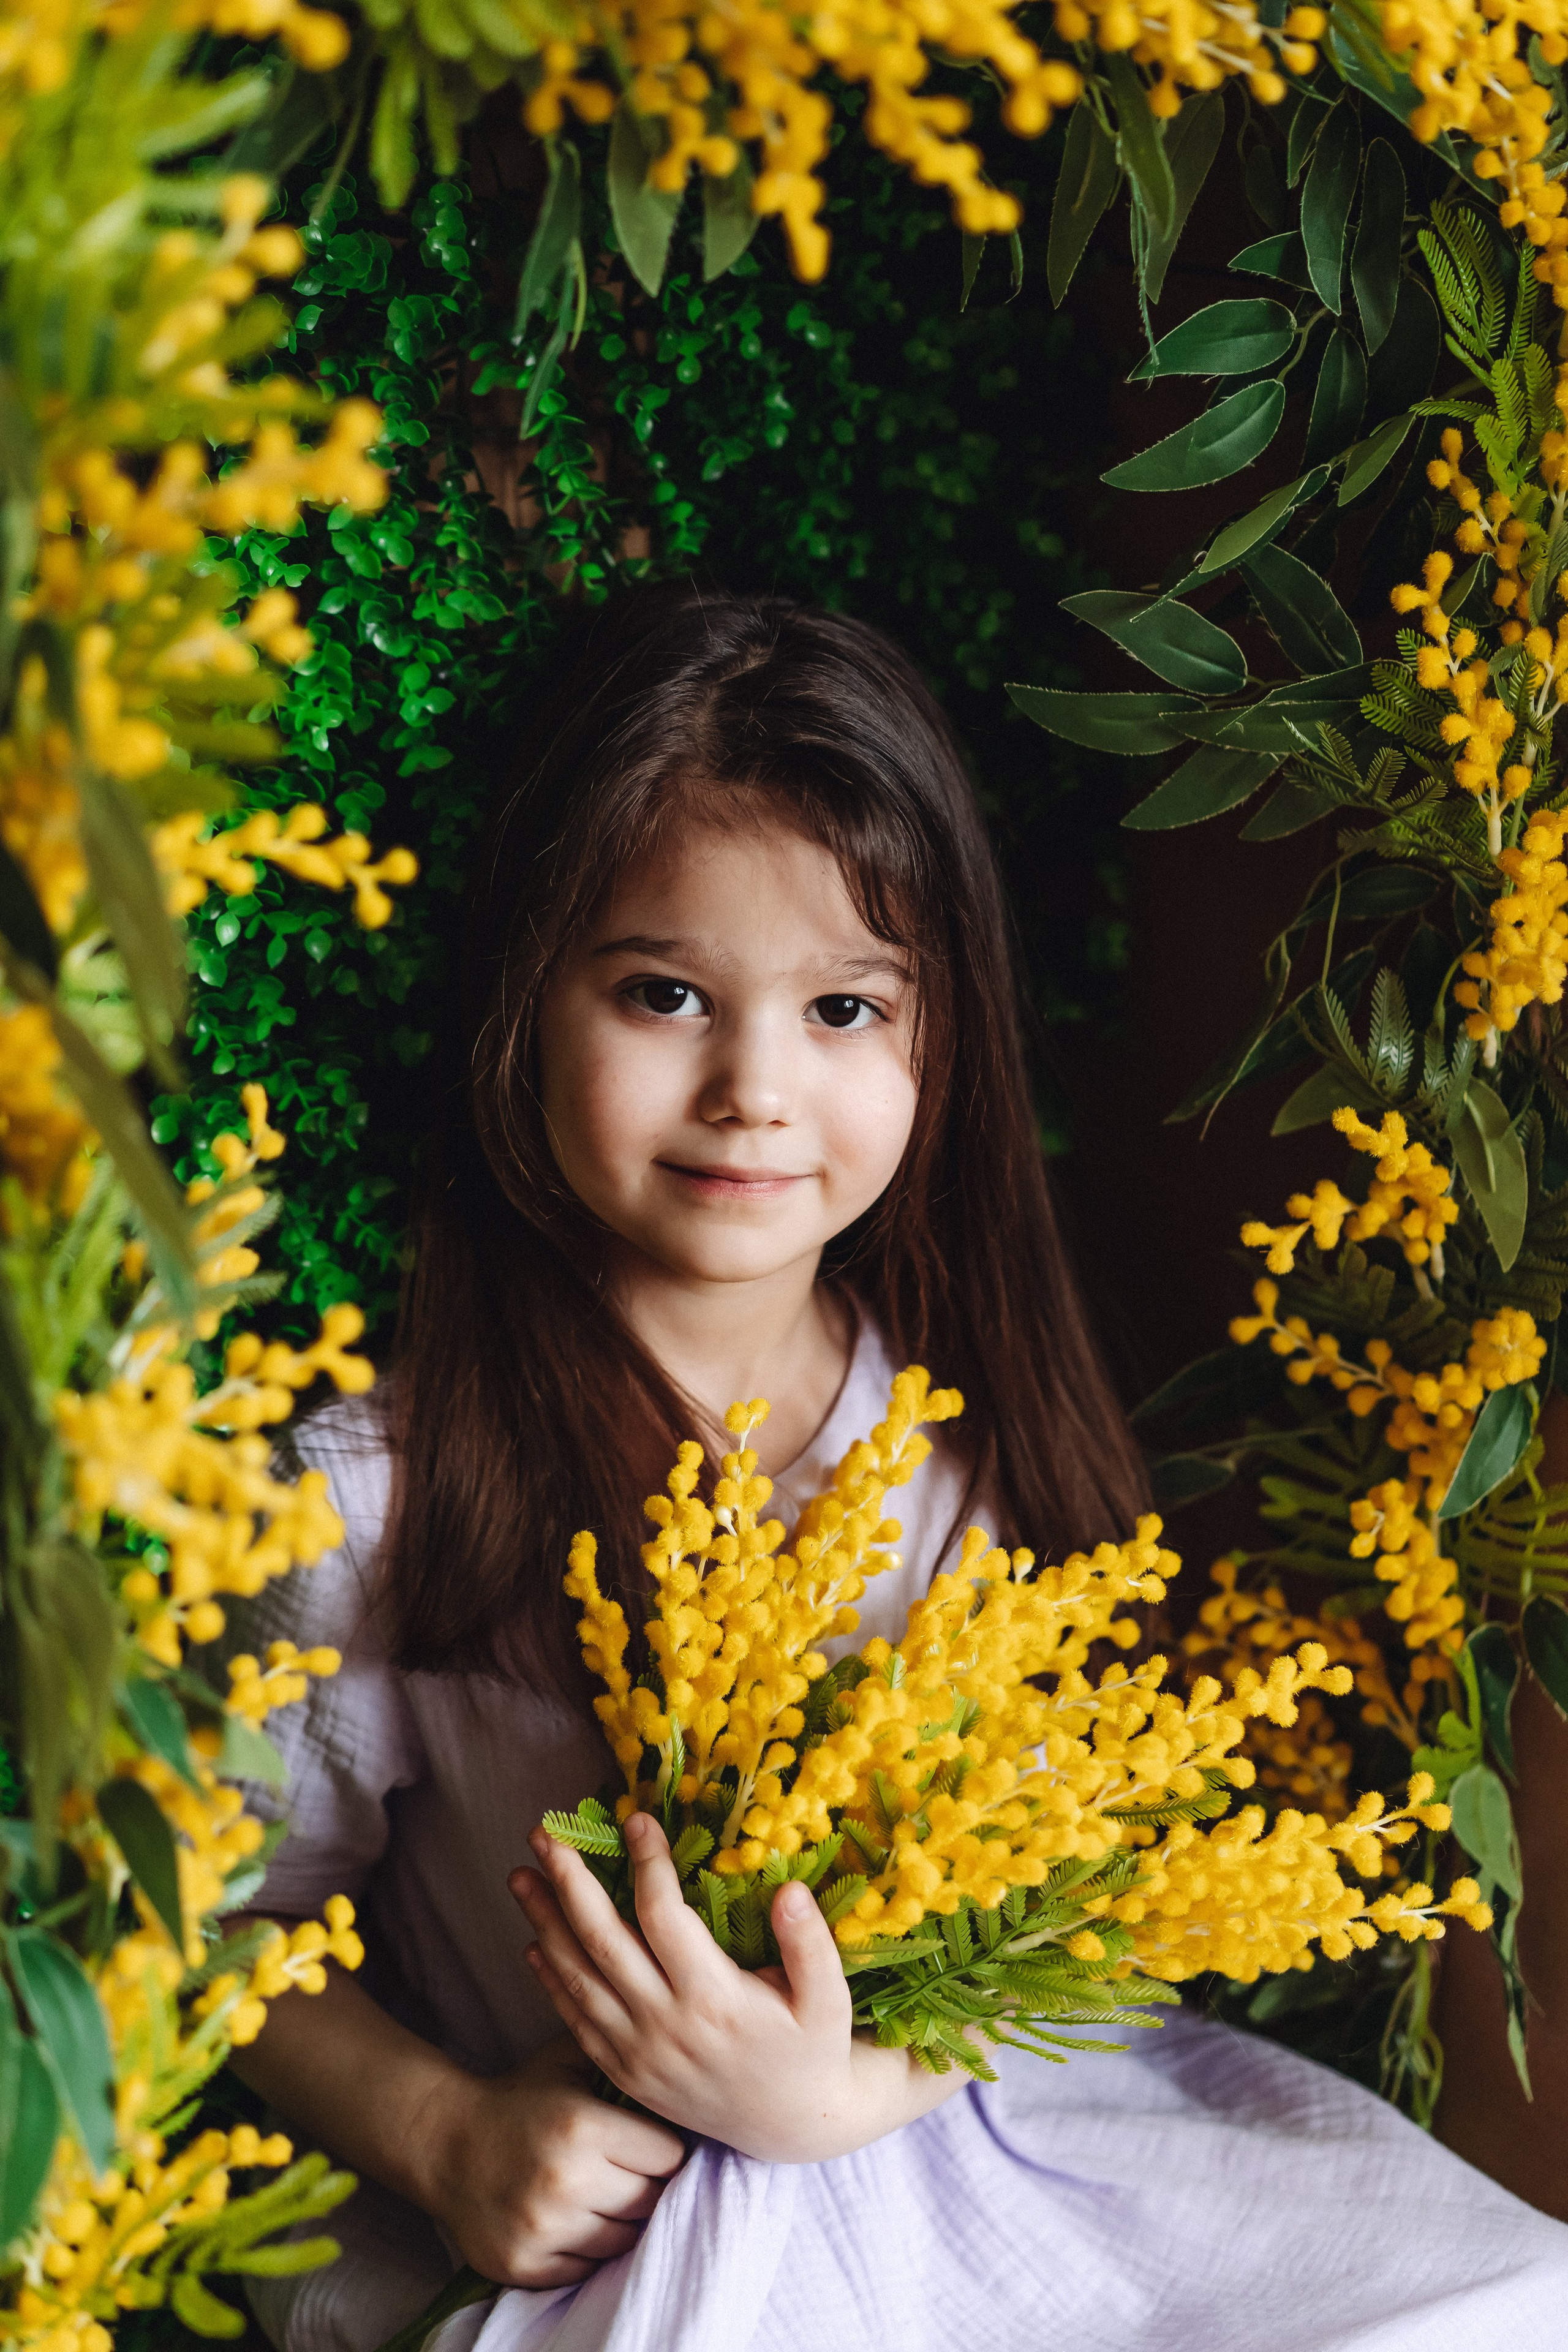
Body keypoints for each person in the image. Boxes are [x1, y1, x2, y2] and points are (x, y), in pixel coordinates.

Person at [229, 586, 1568, 2352]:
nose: (755, 1090)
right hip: (630, 2220)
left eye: (847, 1009)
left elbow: (1040, 1927)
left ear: (944, 1040)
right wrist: (448, 2131)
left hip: (994, 2158)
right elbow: (218, 1933)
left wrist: (851, 2097)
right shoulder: (378, 1493)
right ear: (522, 1011)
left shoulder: (947, 1431)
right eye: (663, 994)